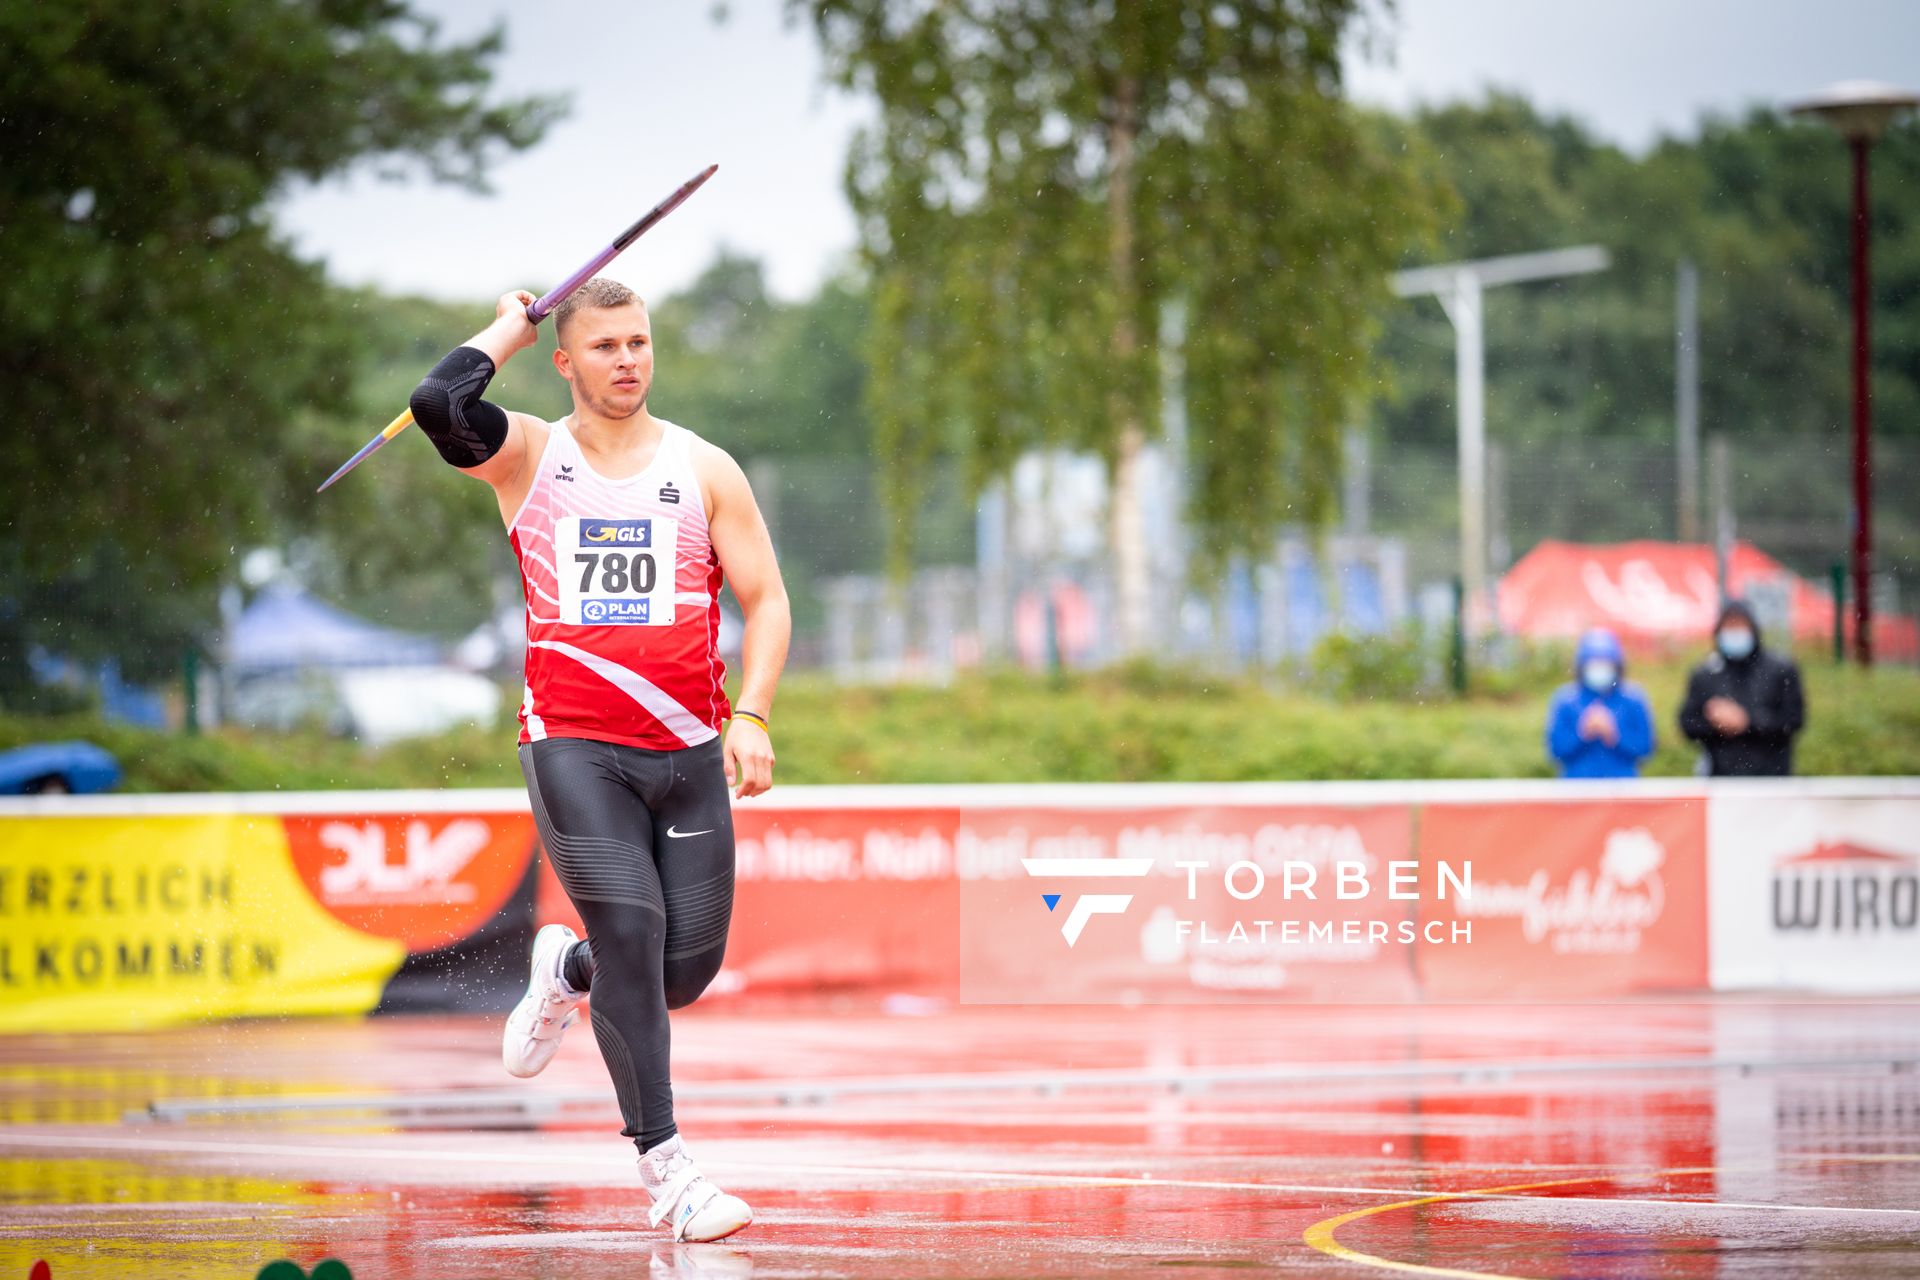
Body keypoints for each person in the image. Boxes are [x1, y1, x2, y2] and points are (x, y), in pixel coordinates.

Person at [407, 279, 789, 1242]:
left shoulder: (705, 468)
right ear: (569, 361)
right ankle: (670, 1171)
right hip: (575, 746)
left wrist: (753, 713)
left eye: (641, 343)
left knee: (679, 973)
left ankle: (566, 970)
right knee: (634, 929)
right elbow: (438, 405)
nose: (628, 360)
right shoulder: (531, 456)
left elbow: (769, 602)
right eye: (607, 346)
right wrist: (512, 328)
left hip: (690, 750)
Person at [1678, 599, 1805, 776]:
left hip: (1772, 779)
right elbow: (1688, 723)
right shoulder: (1705, 673)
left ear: (1753, 629)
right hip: (1721, 778)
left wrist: (1748, 722)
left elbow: (1793, 720)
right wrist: (1714, 722)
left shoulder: (1780, 669)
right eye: (1729, 627)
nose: (1734, 633)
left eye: (1739, 626)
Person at [1545, 627, 1655, 778]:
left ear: (1617, 665)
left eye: (1605, 662)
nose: (1599, 668)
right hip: (1575, 790)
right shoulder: (1565, 699)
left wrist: (1614, 735)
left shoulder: (1633, 699)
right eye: (1594, 663)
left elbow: (1645, 749)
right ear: (1582, 666)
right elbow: (1555, 751)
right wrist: (1582, 733)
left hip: (1623, 789)